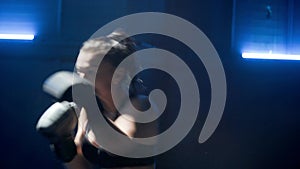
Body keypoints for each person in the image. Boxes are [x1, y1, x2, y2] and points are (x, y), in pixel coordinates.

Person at [57, 30, 157, 169]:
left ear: (118, 74)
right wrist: (62, 142)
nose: (81, 77)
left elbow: (117, 146)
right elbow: (80, 166)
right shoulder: (88, 110)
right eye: (79, 70)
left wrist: (89, 104)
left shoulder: (141, 105)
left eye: (90, 71)